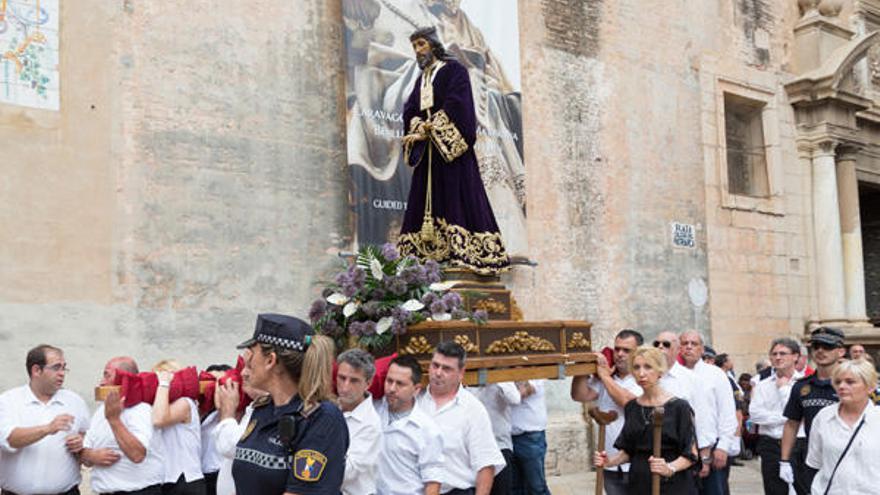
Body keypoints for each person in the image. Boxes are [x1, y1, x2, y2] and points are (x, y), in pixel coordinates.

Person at [398, 26, 510, 275]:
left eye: (421, 44)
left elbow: (458, 103)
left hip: (451, 154)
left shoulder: (454, 71)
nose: (418, 51)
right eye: (414, 46)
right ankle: (424, 259)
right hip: (429, 153)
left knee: (456, 198)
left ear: (433, 45)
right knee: (425, 201)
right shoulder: (422, 79)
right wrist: (417, 126)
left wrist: (432, 126)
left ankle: (462, 255)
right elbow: (409, 109)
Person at [224, 313, 348, 494]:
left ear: (270, 361)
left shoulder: (321, 418)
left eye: (253, 352)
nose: (247, 360)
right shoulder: (263, 409)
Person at [594, 346, 697, 494]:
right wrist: (609, 461)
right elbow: (629, 451)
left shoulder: (679, 407)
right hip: (639, 484)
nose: (641, 373)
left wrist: (669, 468)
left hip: (672, 485)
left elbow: (691, 453)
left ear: (660, 371)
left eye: (648, 367)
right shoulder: (632, 407)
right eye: (636, 367)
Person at [416, 341, 505, 495]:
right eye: (435, 365)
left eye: (446, 369)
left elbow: (486, 465)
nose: (438, 373)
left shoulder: (473, 410)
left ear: (461, 373)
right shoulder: (414, 401)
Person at [0, 344, 91, 495]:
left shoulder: (75, 401)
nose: (62, 373)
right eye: (56, 368)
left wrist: (80, 443)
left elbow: (86, 437)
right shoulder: (8, 401)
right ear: (36, 370)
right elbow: (9, 439)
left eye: (64, 368)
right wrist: (48, 428)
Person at [571, 329, 644, 495]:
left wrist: (605, 377)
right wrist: (583, 366)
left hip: (636, 465)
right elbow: (579, 394)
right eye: (617, 349)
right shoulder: (607, 378)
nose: (619, 354)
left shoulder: (643, 378)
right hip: (610, 463)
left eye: (626, 350)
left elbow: (629, 403)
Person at [82, 356, 166, 494]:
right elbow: (85, 451)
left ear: (123, 379)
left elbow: (137, 455)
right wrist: (91, 455)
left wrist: (114, 420)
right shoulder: (100, 411)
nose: (101, 382)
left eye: (107, 375)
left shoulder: (141, 410)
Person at [780, 327, 846, 495]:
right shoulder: (802, 386)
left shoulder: (851, 384)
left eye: (827, 346)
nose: (820, 351)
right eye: (816, 346)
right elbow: (792, 423)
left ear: (840, 351)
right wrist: (784, 460)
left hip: (847, 455)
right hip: (813, 458)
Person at [805, 359, 880, 494]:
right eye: (838, 382)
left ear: (870, 387)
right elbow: (815, 461)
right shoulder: (823, 417)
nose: (842, 386)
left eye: (850, 382)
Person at [374, 355, 444, 495]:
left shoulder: (427, 430)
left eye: (400, 384)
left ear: (416, 389)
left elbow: (432, 483)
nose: (392, 388)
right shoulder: (372, 411)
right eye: (389, 381)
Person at [679, 331, 738, 495]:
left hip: (713, 448)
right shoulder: (674, 376)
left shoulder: (715, 374)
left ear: (702, 349)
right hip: (682, 449)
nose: (689, 347)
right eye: (684, 343)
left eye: (694, 344)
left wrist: (723, 446)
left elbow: (727, 412)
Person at [748, 338, 802, 495]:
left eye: (783, 353)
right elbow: (756, 415)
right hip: (770, 445)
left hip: (797, 445)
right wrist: (788, 417)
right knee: (774, 490)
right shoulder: (763, 385)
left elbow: (803, 415)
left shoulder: (803, 384)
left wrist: (784, 389)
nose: (778, 357)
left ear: (795, 356)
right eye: (774, 354)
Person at [151, 359, 205, 495]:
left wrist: (163, 383)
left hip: (185, 480)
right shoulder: (160, 407)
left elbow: (159, 419)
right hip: (167, 480)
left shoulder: (186, 403)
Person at [336, 348, 382, 495]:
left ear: (368, 383)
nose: (345, 387)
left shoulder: (371, 424)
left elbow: (346, 472)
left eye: (354, 380)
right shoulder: (329, 408)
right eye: (342, 378)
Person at [213, 380, 266, 495]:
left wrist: (228, 411)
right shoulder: (255, 407)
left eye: (250, 367)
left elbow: (231, 447)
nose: (243, 373)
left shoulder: (267, 410)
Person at [475, 382, 521, 495]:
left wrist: (495, 379)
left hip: (500, 446)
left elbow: (515, 399)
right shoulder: (468, 379)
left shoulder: (503, 380)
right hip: (476, 449)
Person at [509, 379, 551, 495]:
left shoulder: (535, 368)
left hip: (529, 434)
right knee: (513, 488)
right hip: (507, 435)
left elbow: (522, 392)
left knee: (536, 487)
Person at [200, 363, 232, 495]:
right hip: (201, 474)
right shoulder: (200, 411)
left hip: (219, 473)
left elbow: (222, 408)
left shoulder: (232, 411)